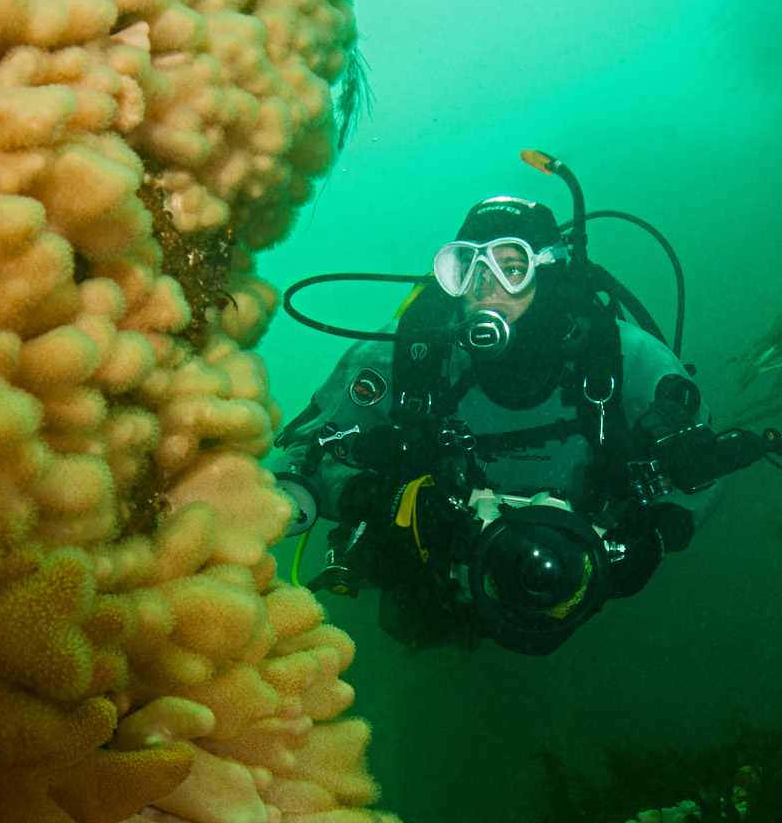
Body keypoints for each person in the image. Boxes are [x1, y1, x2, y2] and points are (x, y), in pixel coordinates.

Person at [269, 195, 723, 654]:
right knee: (410, 621)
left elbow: (705, 466)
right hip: (437, 579)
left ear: (549, 272)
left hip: (578, 570)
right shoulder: (404, 355)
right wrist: (372, 499)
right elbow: (304, 456)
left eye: (512, 266)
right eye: (466, 266)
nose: (485, 287)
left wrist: (657, 536)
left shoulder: (629, 359)